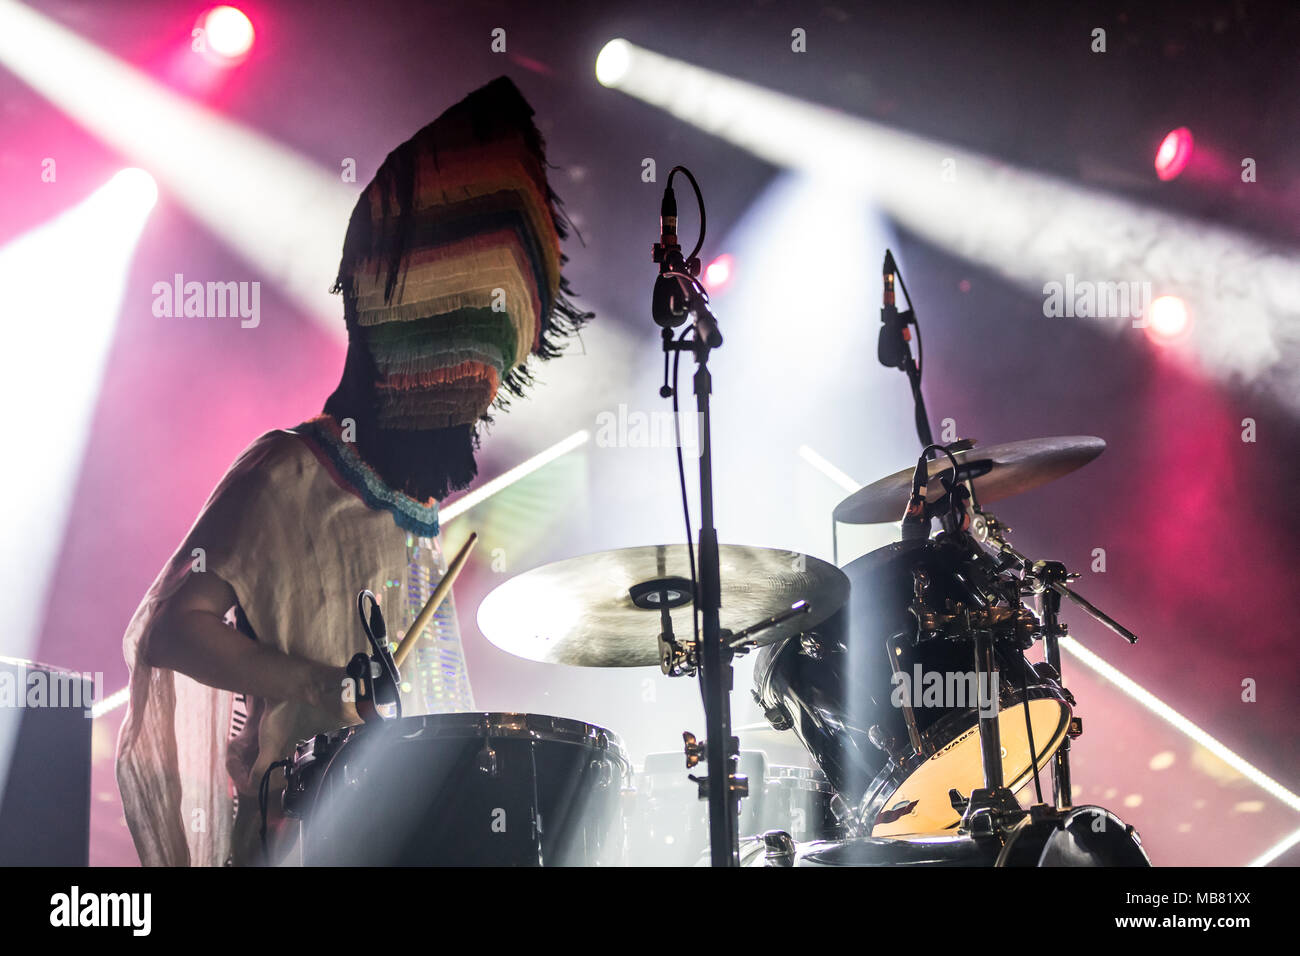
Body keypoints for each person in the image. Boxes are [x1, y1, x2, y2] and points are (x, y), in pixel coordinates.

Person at [115, 76, 590, 866]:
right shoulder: (286, 470)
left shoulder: (415, 514)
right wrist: (317, 685)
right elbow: (170, 628)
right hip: (299, 834)